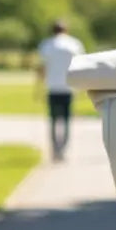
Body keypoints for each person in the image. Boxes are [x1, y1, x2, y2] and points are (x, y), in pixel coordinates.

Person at [36, 21, 84, 161]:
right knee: (66, 120)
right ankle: (63, 148)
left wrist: (39, 86)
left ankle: (55, 148)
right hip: (68, 87)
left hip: (52, 87)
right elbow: (80, 65)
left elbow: (42, 67)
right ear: (66, 30)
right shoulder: (74, 44)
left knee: (53, 120)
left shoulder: (47, 45)